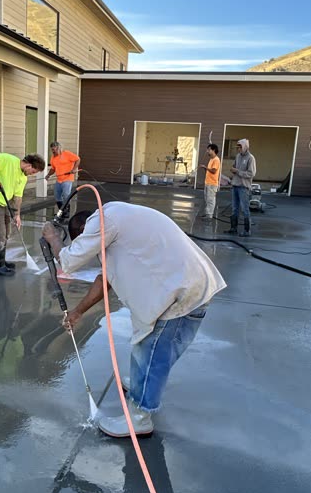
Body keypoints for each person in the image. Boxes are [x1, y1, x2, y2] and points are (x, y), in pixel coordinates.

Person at [42, 202, 225, 438]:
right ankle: (142, 383)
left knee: (153, 351)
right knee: (150, 348)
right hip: (191, 285)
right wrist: (78, 312)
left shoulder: (103, 222)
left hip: (179, 295)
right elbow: (104, 279)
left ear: (84, 233)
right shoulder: (121, 218)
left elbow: (67, 261)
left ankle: (139, 417)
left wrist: (52, 237)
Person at [0, 151, 45, 276]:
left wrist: (17, 215)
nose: (32, 175)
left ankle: (2, 261)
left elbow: (18, 197)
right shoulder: (9, 160)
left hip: (4, 203)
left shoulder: (23, 177)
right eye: (33, 172)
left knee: (6, 233)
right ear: (29, 165)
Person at [45, 141, 80, 218]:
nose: (53, 151)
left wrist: (74, 169)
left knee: (66, 195)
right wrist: (48, 175)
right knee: (57, 196)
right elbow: (53, 169)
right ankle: (61, 211)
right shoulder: (53, 158)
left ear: (59, 148)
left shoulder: (66, 154)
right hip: (59, 179)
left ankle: (66, 212)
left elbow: (77, 159)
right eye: (52, 150)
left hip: (67, 178)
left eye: (54, 149)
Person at [230, 138, 257, 236]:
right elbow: (234, 166)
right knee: (234, 208)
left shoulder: (250, 158)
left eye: (240, 147)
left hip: (244, 187)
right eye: (237, 147)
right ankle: (233, 228)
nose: (238, 149)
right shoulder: (238, 156)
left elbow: (251, 173)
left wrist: (237, 171)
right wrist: (233, 170)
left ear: (245, 146)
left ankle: (247, 230)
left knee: (245, 208)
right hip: (235, 185)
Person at [199, 142, 221, 219]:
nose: (207, 151)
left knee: (210, 199)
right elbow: (209, 171)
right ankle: (207, 213)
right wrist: (205, 168)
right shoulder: (211, 159)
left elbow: (214, 171)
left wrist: (205, 167)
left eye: (209, 150)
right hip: (208, 182)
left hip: (212, 183)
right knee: (207, 199)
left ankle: (209, 215)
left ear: (213, 150)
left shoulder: (216, 160)